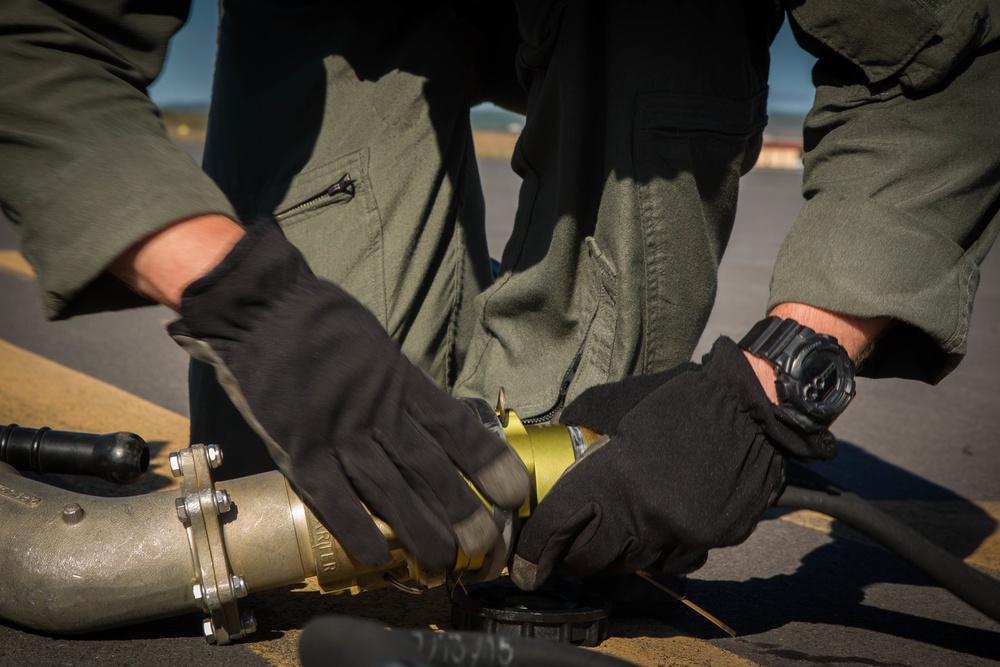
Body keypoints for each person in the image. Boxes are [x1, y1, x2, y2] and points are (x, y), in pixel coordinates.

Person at [1, 0, 997, 591]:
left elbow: (937, 70)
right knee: (317, 513)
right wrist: (246, 299)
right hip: (351, 24)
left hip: (646, 26)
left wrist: (778, 382)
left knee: (561, 534)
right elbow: (38, 37)